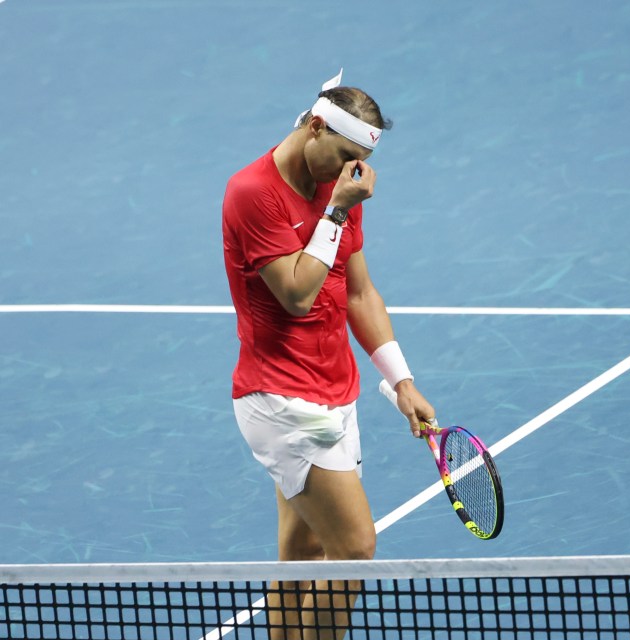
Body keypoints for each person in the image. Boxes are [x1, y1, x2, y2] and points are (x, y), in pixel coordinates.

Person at [221, 69, 435, 639]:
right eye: (340, 155)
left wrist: (401, 380)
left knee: (302, 555)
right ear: (315, 126)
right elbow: (296, 293)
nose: (347, 172)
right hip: (283, 402)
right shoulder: (253, 193)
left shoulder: (340, 181)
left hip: (337, 392)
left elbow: (358, 292)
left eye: (356, 162)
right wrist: (337, 210)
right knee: (353, 549)